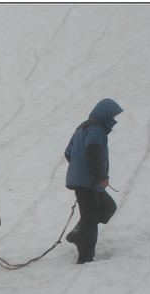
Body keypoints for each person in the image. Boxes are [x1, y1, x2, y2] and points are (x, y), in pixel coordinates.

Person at [64, 98, 123, 263]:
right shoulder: (96, 128)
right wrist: (101, 176)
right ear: (105, 113)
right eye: (112, 114)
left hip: (86, 180)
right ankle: (85, 258)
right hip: (89, 181)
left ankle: (77, 234)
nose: (114, 118)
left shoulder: (82, 127)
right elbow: (93, 151)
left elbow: (68, 152)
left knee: (107, 207)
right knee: (90, 219)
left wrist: (78, 169)